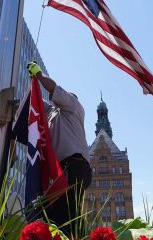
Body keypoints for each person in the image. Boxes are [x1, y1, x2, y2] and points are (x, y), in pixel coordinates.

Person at [28, 61, 92, 236]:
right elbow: (35, 103)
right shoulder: (53, 113)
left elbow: (53, 89)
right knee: (54, 215)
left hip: (74, 165)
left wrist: (39, 75)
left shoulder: (74, 106)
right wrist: (32, 85)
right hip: (61, 169)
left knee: (66, 214)